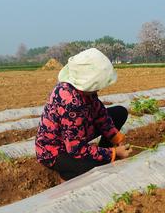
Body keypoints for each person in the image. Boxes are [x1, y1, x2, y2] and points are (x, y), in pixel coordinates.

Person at [35, 48, 132, 181]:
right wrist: (113, 153)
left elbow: (100, 114)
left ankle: (103, 152)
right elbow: (76, 149)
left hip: (78, 133)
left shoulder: (86, 91)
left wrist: (116, 138)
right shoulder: (70, 102)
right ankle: (67, 173)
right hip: (57, 151)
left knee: (119, 112)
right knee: (94, 171)